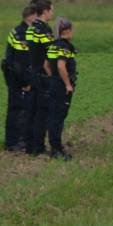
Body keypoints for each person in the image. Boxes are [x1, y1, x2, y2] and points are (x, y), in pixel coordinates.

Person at [2, 5, 37, 152]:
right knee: (19, 110)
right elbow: (22, 62)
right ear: (31, 16)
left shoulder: (17, 30)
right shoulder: (22, 34)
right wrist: (26, 82)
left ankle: (13, 141)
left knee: (15, 109)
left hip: (13, 76)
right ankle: (15, 142)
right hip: (18, 78)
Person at [26, 0, 55, 155]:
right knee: (42, 113)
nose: (53, 13)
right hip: (43, 76)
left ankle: (29, 146)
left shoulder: (31, 28)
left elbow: (31, 52)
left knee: (32, 111)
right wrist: (52, 76)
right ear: (45, 11)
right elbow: (46, 58)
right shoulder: (44, 30)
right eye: (51, 10)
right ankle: (39, 147)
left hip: (33, 73)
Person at [46, 18, 77, 160]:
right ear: (68, 31)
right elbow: (60, 66)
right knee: (58, 117)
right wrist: (67, 84)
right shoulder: (65, 46)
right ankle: (56, 150)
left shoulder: (53, 45)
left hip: (53, 84)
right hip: (61, 87)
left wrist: (53, 78)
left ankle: (55, 146)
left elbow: (46, 64)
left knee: (54, 115)